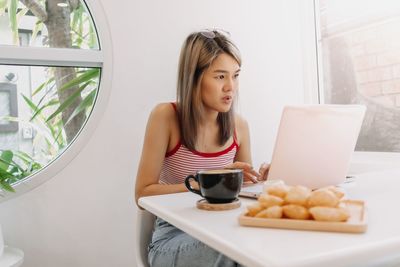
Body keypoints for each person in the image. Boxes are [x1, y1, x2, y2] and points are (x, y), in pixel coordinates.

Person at [135, 29, 269, 267]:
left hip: (223, 229)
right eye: (220, 77)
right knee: (238, 251)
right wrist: (205, 183)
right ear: (194, 78)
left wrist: (263, 182)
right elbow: (142, 193)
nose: (231, 87)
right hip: (172, 237)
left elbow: (244, 191)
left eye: (235, 76)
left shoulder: (240, 126)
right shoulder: (165, 117)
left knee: (258, 246)